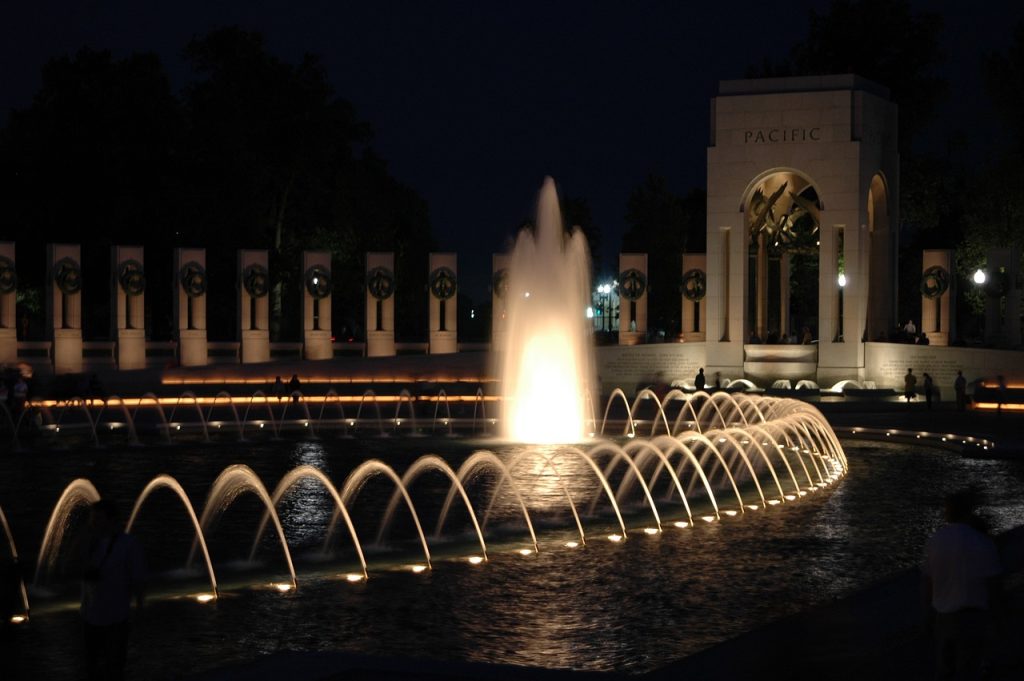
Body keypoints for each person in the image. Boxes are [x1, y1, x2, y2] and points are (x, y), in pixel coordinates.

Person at [922, 491, 1001, 681]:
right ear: (970, 512)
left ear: (947, 513)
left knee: (944, 668)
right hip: (974, 616)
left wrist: (928, 616)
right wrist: (998, 617)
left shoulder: (935, 542)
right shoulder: (982, 542)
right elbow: (994, 585)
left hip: (944, 616)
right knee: (969, 668)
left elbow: (927, 583)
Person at [81, 499, 146, 681]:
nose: (93, 523)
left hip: (115, 618)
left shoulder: (128, 544)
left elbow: (138, 578)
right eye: (92, 519)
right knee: (91, 667)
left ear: (112, 521)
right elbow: (70, 570)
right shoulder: (90, 544)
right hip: (90, 617)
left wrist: (139, 608)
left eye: (98, 519)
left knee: (114, 667)